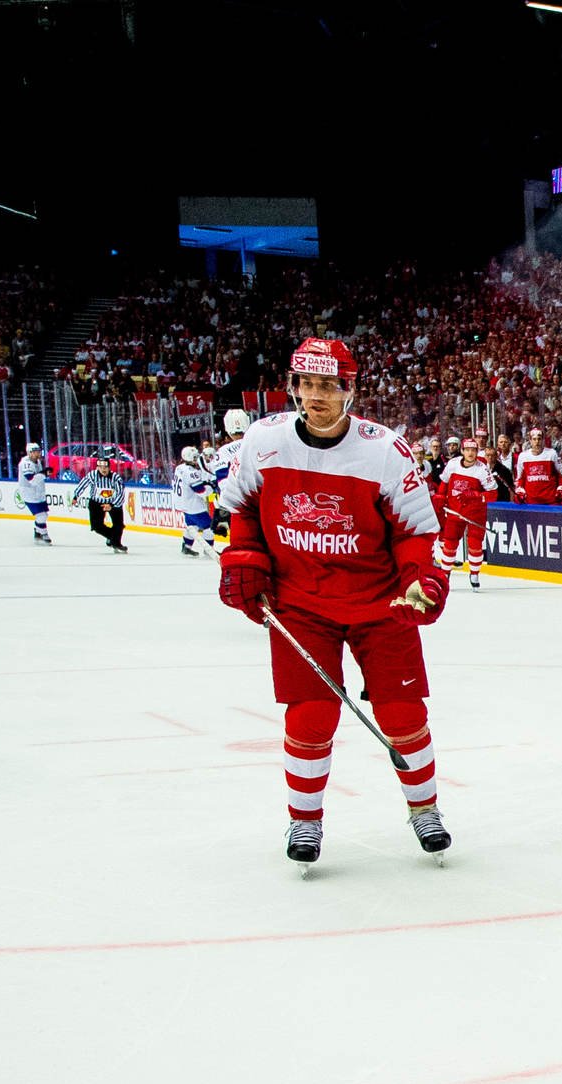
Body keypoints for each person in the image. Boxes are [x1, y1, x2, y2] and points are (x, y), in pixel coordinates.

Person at [216, 337, 450, 869]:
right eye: (307, 384)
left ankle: (425, 809)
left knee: (403, 713)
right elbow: (243, 512)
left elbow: (416, 533)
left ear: (349, 389)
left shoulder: (384, 449)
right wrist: (246, 557)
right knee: (310, 716)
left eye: (328, 385)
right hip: (299, 604)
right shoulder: (263, 440)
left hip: (381, 603)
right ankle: (305, 820)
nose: (316, 395)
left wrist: (422, 580)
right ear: (293, 386)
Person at [436, 436, 496, 590]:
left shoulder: (482, 469)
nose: (470, 453)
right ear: (462, 451)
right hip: (455, 510)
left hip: (475, 513)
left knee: (475, 544)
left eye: (473, 450)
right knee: (449, 543)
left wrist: (476, 495)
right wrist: (440, 498)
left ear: (477, 452)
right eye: (467, 450)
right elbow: (444, 483)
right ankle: (445, 574)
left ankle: (474, 573)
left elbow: (493, 494)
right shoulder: (453, 464)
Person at [72, 452, 127, 553]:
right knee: (96, 526)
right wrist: (76, 496)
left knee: (118, 525)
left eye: (105, 467)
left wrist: (112, 505)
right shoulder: (93, 475)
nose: (103, 469)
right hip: (96, 503)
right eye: (100, 467)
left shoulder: (116, 478)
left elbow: (121, 494)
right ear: (97, 467)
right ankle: (112, 538)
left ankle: (116, 542)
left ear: (109, 467)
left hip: (113, 503)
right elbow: (83, 484)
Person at [172, 446, 217, 558]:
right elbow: (201, 491)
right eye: (195, 457)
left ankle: (186, 547)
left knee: (193, 526)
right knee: (209, 528)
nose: (197, 459)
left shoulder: (179, 467)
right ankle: (209, 550)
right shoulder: (191, 473)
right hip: (194, 506)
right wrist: (212, 485)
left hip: (183, 503)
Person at [212, 409, 251, 535]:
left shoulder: (223, 452)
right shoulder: (259, 443)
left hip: (239, 504)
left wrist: (224, 508)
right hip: (260, 499)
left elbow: (222, 481)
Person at [514, 427, 562, 505]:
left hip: (550, 501)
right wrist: (519, 489)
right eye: (534, 439)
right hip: (530, 501)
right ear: (530, 441)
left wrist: (561, 487)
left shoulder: (552, 453)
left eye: (539, 439)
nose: (537, 442)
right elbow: (520, 478)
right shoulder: (523, 456)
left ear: (543, 440)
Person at [17, 442, 50, 544]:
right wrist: (45, 473)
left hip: (38, 493)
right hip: (29, 494)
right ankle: (43, 534)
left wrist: (44, 473)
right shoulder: (26, 464)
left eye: (38, 451)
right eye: (35, 452)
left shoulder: (37, 462)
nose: (38, 453)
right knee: (41, 516)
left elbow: (38, 477)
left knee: (44, 515)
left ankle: (37, 530)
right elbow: (31, 479)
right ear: (30, 453)